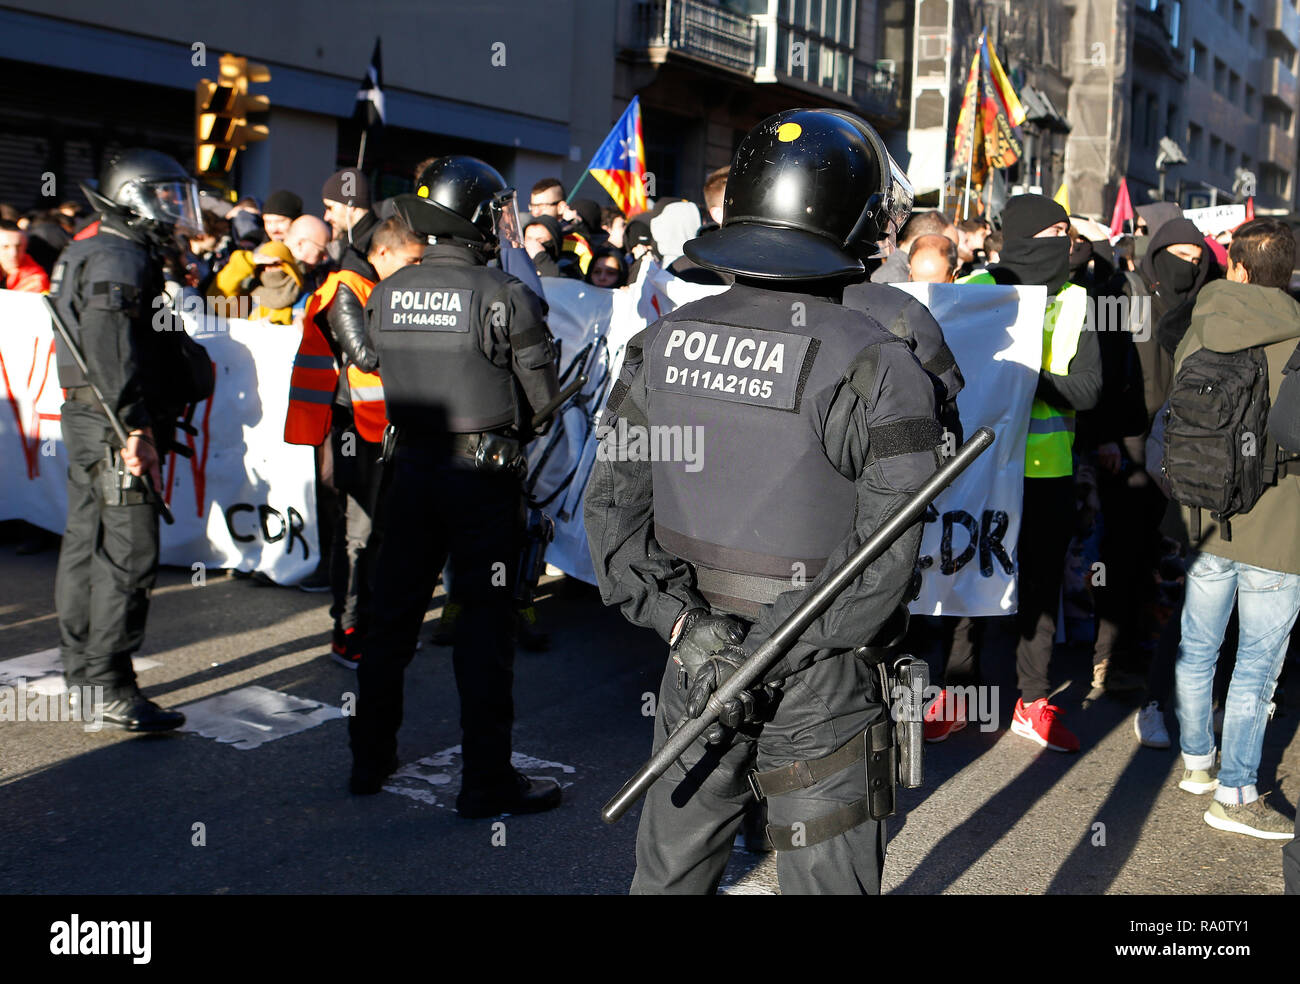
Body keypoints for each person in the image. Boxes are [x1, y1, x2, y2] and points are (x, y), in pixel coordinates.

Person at [586, 108, 940, 894]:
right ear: (857, 220)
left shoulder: (663, 341)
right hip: (821, 675)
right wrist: (765, 647)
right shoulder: (880, 364)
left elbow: (612, 518)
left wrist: (688, 627)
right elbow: (888, 558)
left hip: (697, 658)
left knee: (671, 875)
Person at [349, 156, 563, 819]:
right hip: (482, 479)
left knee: (389, 623)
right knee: (484, 628)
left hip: (409, 471)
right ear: (475, 217)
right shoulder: (505, 293)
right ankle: (486, 780)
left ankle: (368, 758)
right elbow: (544, 403)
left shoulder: (387, 291)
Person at [49, 149, 208, 731]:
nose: (172, 208)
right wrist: (135, 428)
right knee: (129, 551)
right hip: (116, 425)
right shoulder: (118, 254)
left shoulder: (98, 246)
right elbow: (111, 347)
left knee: (89, 542)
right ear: (132, 195)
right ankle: (108, 683)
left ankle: (84, 671)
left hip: (95, 419)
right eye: (163, 195)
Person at [1170, 218, 1300, 840]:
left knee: (1199, 645)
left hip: (1203, 516)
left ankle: (1196, 761)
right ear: (1289, 273)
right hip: (1280, 527)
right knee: (1255, 664)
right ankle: (1236, 791)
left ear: (1237, 267)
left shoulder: (1200, 326)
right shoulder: (1296, 339)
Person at [962, 194, 1102, 752]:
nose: (1065, 244)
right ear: (1022, 237)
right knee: (967, 575)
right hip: (978, 466)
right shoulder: (972, 292)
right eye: (1055, 233)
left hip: (1047, 473)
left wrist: (1029, 376)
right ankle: (955, 695)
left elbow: (1088, 390)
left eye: (1068, 234)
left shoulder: (1077, 302)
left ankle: (1033, 700)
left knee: (1040, 588)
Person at [286, 217, 424, 667]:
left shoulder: (379, 288)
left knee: (383, 532)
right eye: (411, 262)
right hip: (354, 430)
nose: (415, 271)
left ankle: (376, 622)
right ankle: (346, 629)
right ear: (382, 254)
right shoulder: (347, 288)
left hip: (383, 428)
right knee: (358, 535)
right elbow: (366, 355)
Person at [871, 209, 956, 284]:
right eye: (947, 250)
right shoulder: (895, 281)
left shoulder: (896, 272)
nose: (955, 260)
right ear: (927, 241)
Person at [0, 220, 50, 292]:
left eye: (18, 246)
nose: (13, 253)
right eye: (5, 247)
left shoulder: (36, 281)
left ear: (25, 246)